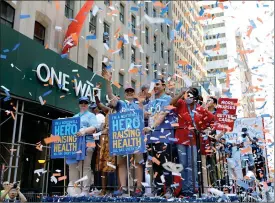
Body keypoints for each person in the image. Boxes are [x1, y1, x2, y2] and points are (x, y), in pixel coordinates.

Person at [102, 69, 143, 197]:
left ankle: (139, 188)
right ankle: (123, 187)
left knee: (138, 162)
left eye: (131, 91)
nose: (129, 93)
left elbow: (144, 117)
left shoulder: (138, 105)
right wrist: (108, 82)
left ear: (134, 93)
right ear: (125, 93)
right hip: (121, 137)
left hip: (136, 137)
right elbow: (110, 97)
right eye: (127, 91)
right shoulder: (120, 104)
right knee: (121, 163)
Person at [170, 87, 215, 196]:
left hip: (194, 140)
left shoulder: (200, 109)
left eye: (190, 95)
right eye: (187, 95)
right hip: (181, 139)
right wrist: (181, 92)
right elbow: (171, 104)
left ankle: (193, 189)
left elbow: (213, 119)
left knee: (192, 164)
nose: (188, 97)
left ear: (195, 97)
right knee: (183, 164)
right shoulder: (181, 103)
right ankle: (185, 189)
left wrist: (208, 130)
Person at [143, 78, 175, 198]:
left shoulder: (167, 99)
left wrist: (151, 127)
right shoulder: (151, 102)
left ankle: (169, 189)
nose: (155, 87)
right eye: (153, 85)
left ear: (164, 85)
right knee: (155, 165)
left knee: (165, 164)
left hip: (164, 137)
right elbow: (143, 114)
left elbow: (162, 114)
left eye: (157, 84)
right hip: (151, 138)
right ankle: (158, 189)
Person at [67, 96, 99, 196]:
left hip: (88, 142)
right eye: (82, 103)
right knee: (74, 166)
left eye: (85, 103)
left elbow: (94, 127)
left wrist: (84, 130)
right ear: (79, 104)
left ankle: (85, 190)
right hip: (75, 144)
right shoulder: (75, 116)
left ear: (88, 104)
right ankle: (74, 190)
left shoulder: (91, 115)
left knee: (85, 166)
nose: (83, 104)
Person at [93, 95, 116, 196]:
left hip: (115, 140)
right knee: (103, 164)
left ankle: (116, 188)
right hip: (105, 140)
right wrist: (96, 95)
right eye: (111, 100)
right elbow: (99, 104)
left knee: (116, 165)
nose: (112, 101)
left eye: (115, 100)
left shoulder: (121, 110)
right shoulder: (108, 110)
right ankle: (103, 189)